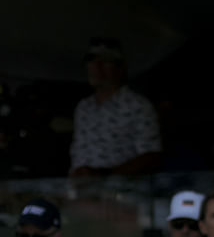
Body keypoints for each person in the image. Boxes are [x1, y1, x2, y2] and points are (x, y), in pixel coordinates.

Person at [68, 38, 161, 178]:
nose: (97, 66)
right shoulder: (83, 107)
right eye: (92, 60)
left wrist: (105, 174)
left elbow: (151, 156)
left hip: (119, 192)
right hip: (80, 191)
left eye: (105, 61)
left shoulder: (137, 105)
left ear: (120, 68)